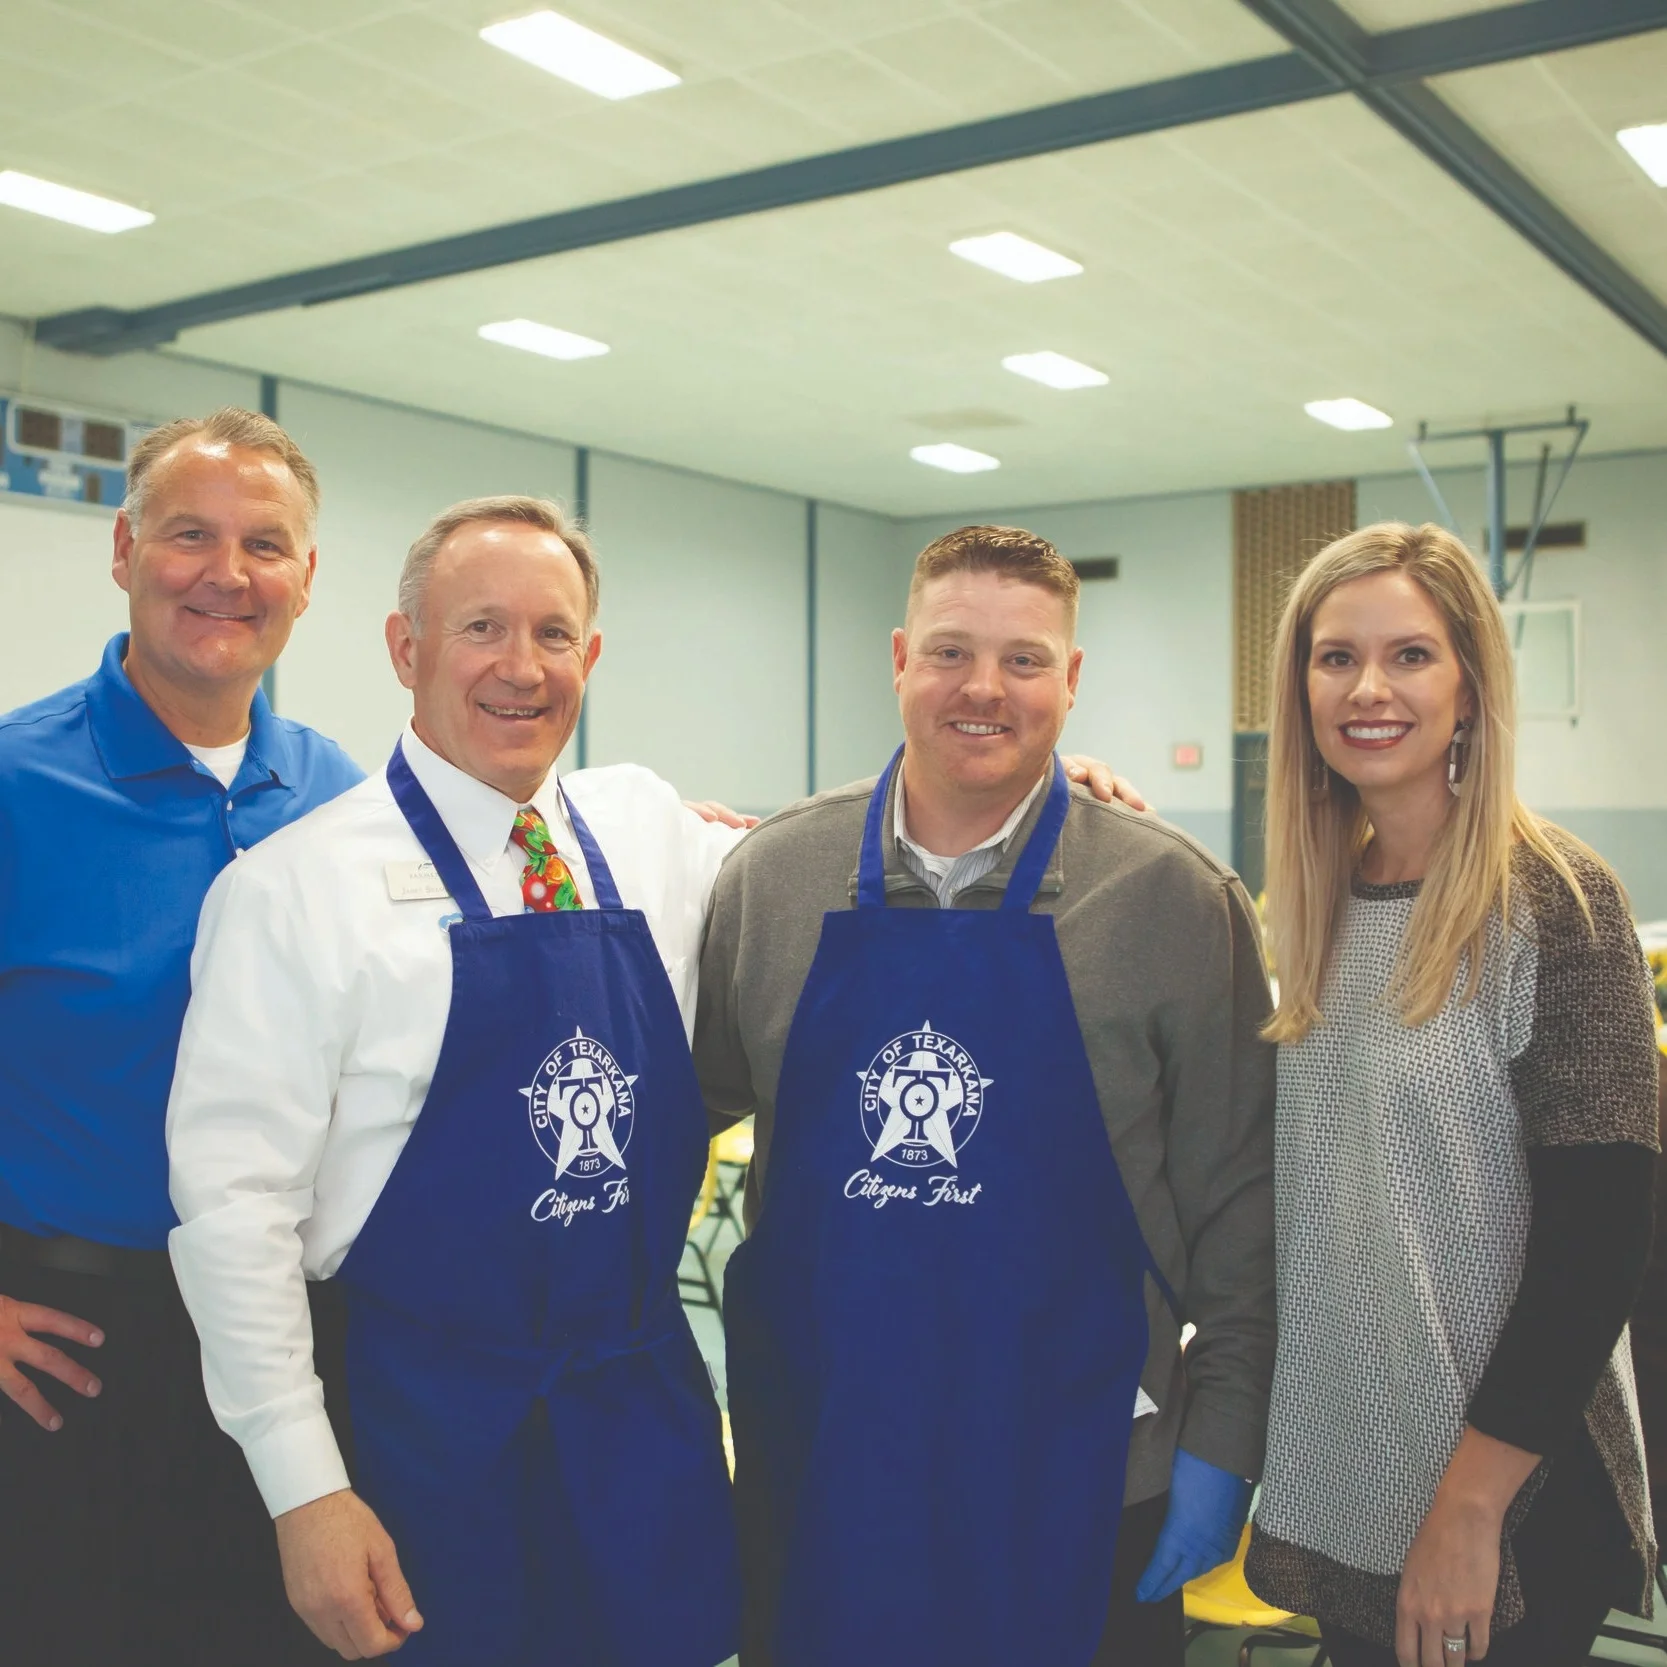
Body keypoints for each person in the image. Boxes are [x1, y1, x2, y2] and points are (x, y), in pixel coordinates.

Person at [164, 495, 756, 1665]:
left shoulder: (647, 831)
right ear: (406, 649)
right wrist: (304, 1491)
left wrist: (1019, 780)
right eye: (480, 627)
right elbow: (236, 1219)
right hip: (426, 1436)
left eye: (552, 634)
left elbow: (849, 872)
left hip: (641, 1419)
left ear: (588, 655)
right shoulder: (294, 890)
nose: (520, 668)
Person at [693, 523, 1278, 1667]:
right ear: (901, 657)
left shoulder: (1169, 898)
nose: (982, 688)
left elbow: (1243, 1208)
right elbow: (674, 1127)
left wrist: (1224, 1441)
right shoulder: (770, 877)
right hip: (822, 1465)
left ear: (1069, 680)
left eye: (1022, 659)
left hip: (1080, 1473)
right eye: (952, 651)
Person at [1243, 522, 1659, 1667]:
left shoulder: (1556, 905)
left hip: (1503, 1503)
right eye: (1334, 657)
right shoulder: (1313, 904)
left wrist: (1468, 1508)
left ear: (1469, 683)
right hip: (1352, 1477)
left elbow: (1599, 1243)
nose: (1366, 687)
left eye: (1409, 655)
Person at [0, 408, 362, 1667]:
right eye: (189, 534)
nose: (228, 572)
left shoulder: (343, 797)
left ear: (307, 579)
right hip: (68, 1357)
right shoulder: (14, 785)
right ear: (122, 546)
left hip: (295, 1341)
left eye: (266, 544)